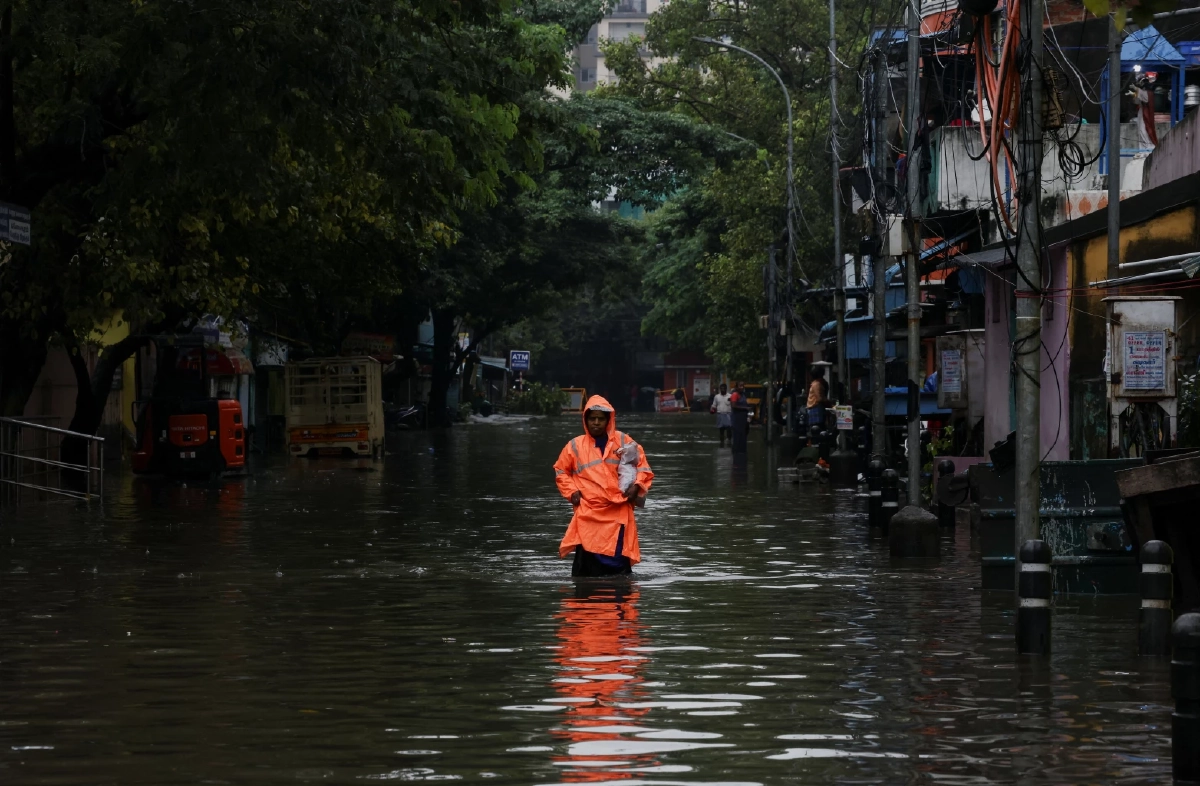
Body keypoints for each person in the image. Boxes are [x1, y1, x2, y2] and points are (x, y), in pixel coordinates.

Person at [554, 396, 654, 577]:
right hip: (588, 513)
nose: (596, 423)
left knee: (618, 566)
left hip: (618, 512)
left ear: (609, 420)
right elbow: (561, 471)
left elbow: (643, 467)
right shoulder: (574, 446)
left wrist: (637, 486)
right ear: (586, 420)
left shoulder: (624, 441)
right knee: (587, 566)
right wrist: (571, 491)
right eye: (592, 418)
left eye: (601, 418)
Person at [807, 367, 831, 433]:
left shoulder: (816, 383)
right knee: (818, 428)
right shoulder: (817, 384)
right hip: (816, 408)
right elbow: (820, 398)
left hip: (815, 408)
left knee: (817, 428)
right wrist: (828, 402)